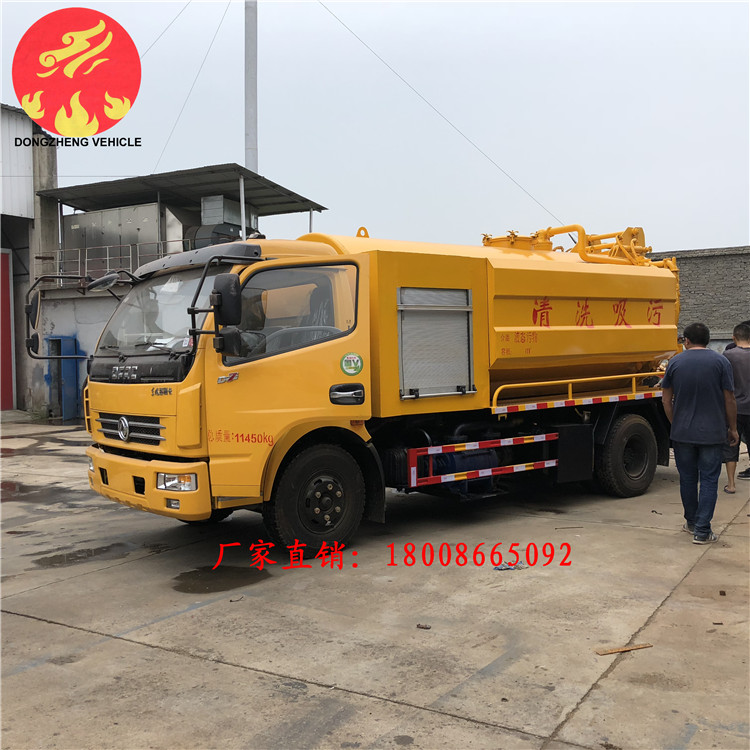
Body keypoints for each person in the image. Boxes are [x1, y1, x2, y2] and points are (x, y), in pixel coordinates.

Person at [661, 322, 739, 544]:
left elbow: (666, 400)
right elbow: (729, 398)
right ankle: (702, 531)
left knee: (687, 479)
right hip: (712, 433)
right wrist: (733, 428)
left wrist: (676, 423)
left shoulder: (675, 363)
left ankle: (692, 523)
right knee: (709, 480)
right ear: (708, 340)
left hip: (682, 433)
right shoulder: (721, 362)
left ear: (686, 340)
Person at [723, 322, 750, 490]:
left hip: (734, 408)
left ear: (734, 338)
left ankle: (731, 484)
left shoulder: (727, 356)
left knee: (732, 443)